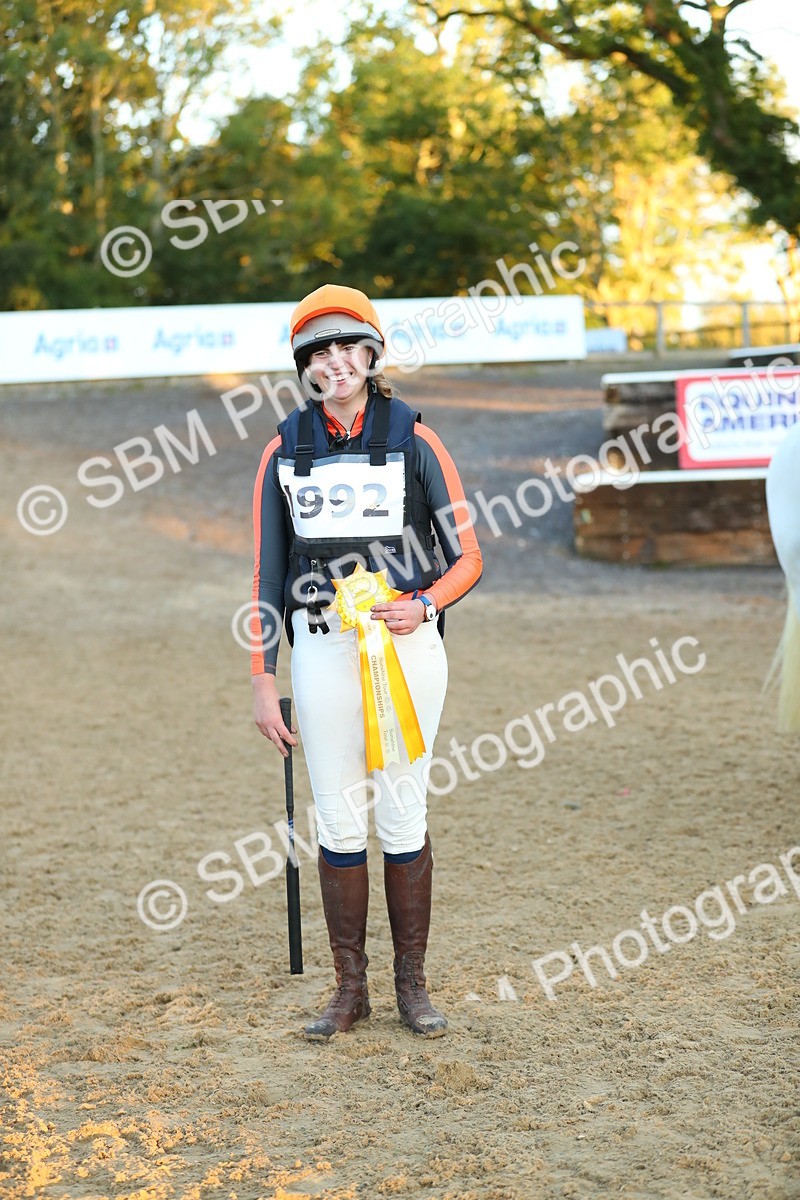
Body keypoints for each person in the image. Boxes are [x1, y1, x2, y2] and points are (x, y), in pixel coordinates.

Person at [250, 284, 482, 1040]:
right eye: (320, 352)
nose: (336, 362)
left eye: (349, 347)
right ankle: (351, 990)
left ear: (371, 356)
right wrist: (262, 676)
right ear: (306, 366)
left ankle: (412, 986)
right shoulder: (283, 450)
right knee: (340, 821)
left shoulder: (418, 438)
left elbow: (468, 556)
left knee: (404, 808)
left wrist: (427, 605)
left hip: (407, 650)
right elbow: (264, 573)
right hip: (319, 650)